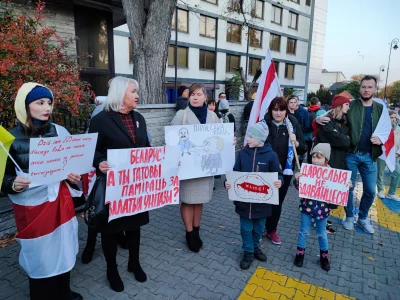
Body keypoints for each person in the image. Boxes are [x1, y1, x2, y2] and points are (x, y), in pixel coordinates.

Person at [1, 83, 83, 300]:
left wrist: (74, 176)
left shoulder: (60, 131)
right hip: (33, 212)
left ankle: (64, 292)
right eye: (40, 102)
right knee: (40, 257)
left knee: (64, 248)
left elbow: (71, 164)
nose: (47, 107)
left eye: (49, 102)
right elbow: (3, 178)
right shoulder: (9, 140)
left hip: (60, 205)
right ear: (25, 106)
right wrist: (12, 183)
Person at [88, 76, 150, 292]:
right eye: (133, 91)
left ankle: (134, 262)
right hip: (112, 186)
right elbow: (91, 150)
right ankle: (111, 270)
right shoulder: (101, 120)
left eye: (137, 91)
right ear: (120, 93)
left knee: (134, 226)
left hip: (136, 187)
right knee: (111, 230)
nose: (137, 95)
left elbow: (147, 148)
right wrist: (99, 162)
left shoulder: (139, 118)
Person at [316, 75, 384, 234]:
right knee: (347, 189)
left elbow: (387, 132)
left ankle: (362, 218)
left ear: (375, 89)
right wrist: (318, 119)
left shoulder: (380, 109)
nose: (366, 90)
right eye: (363, 87)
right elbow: (332, 113)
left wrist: (381, 139)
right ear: (360, 88)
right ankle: (348, 216)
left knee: (370, 190)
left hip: (370, 155)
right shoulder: (351, 105)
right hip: (351, 154)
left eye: (370, 87)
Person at [225, 121, 283, 269]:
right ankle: (248, 252)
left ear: (260, 138)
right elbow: (234, 172)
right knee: (245, 229)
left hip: (263, 204)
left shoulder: (271, 156)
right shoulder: (242, 154)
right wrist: (228, 182)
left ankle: (256, 246)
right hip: (243, 203)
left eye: (250, 136)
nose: (247, 139)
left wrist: (279, 182)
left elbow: (279, 175)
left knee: (258, 229)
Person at [171, 83, 221, 253]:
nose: (195, 97)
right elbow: (171, 140)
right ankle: (189, 233)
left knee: (199, 200)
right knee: (187, 200)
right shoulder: (181, 115)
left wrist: (229, 142)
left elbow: (220, 139)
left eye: (199, 94)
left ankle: (197, 230)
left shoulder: (213, 116)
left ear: (205, 97)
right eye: (192, 94)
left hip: (205, 167)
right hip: (187, 167)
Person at [263, 97, 307, 244]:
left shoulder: (292, 123)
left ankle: (272, 230)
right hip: (265, 169)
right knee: (263, 200)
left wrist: (296, 141)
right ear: (270, 110)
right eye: (275, 109)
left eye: (281, 109)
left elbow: (303, 148)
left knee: (277, 201)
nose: (278, 113)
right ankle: (260, 227)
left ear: (286, 110)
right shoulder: (263, 124)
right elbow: (255, 144)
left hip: (285, 171)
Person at [313, 93, 351, 234]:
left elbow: (347, 140)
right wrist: (343, 138)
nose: (348, 107)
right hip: (326, 160)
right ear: (340, 106)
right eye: (347, 104)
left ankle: (323, 218)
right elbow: (341, 140)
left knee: (330, 192)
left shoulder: (343, 121)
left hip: (337, 161)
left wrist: (343, 138)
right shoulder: (326, 120)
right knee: (322, 192)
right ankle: (319, 220)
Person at [293, 143, 332, 271]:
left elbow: (336, 192)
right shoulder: (307, 170)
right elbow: (300, 188)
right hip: (306, 207)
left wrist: (345, 185)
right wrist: (298, 180)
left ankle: (324, 257)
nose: (315, 160)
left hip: (322, 210)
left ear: (326, 160)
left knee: (322, 234)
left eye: (319, 157)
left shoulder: (332, 174)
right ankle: (300, 254)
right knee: (303, 231)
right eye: (314, 157)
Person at [376, 110, 400, 201]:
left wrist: (398, 153)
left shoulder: (398, 129)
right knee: (380, 173)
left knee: (397, 172)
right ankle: (381, 190)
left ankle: (391, 193)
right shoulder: (382, 128)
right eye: (391, 118)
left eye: (394, 118)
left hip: (394, 155)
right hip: (383, 153)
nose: (393, 120)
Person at [305, 97, 325, 163]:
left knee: (308, 150)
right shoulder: (321, 111)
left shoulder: (306, 111)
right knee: (316, 151)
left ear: (310, 103)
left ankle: (308, 163)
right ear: (318, 102)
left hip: (306, 134)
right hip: (315, 135)